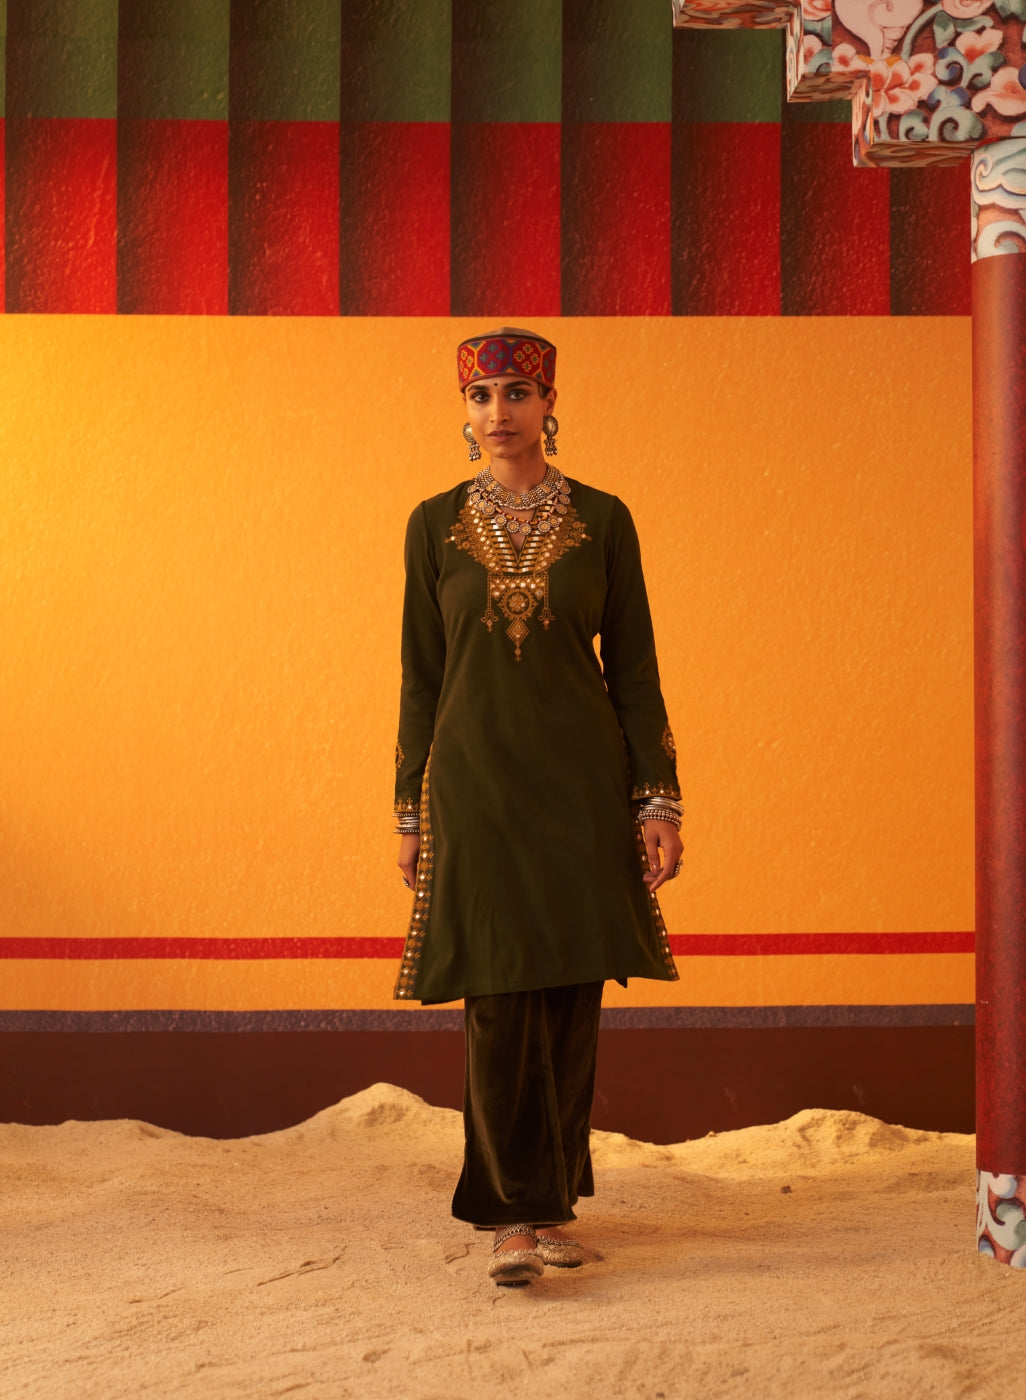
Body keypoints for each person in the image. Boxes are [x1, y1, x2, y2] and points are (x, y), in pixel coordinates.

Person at [393, 327, 683, 1287]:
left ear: (549, 403)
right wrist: (408, 807)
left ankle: (550, 1203)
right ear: (464, 411)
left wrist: (657, 798)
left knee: (567, 993)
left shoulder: (604, 519)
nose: (499, 412)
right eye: (481, 397)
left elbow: (634, 670)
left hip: (579, 787)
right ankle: (508, 1216)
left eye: (518, 392)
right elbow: (421, 675)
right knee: (498, 993)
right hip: (474, 788)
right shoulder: (433, 524)